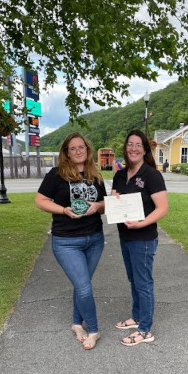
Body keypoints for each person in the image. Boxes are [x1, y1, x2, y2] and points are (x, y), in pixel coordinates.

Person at [35, 132, 106, 350]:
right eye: (72, 148)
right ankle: (93, 329)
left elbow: (105, 203)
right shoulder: (56, 175)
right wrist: (63, 210)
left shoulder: (95, 175)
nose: (78, 151)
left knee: (81, 284)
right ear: (66, 152)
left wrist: (98, 206)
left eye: (81, 147)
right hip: (66, 241)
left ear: (87, 150)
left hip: (94, 238)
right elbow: (40, 201)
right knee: (84, 288)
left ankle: (77, 324)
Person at [112, 129, 168, 346]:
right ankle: (136, 318)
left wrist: (142, 223)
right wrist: (113, 199)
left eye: (138, 144)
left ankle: (145, 330)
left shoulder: (152, 175)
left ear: (144, 149)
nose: (133, 148)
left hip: (143, 237)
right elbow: (116, 203)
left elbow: (162, 208)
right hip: (125, 236)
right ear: (125, 148)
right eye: (130, 144)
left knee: (143, 282)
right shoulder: (119, 174)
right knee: (133, 279)